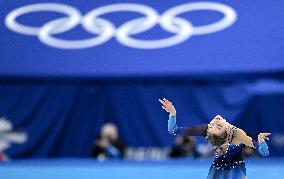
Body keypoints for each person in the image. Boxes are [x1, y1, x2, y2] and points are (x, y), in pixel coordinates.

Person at [159, 98, 270, 179]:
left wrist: (172, 114)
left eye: (214, 125)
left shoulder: (233, 134)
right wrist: (261, 142)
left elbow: (174, 130)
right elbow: (264, 152)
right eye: (215, 125)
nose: (215, 121)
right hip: (219, 167)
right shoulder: (234, 134)